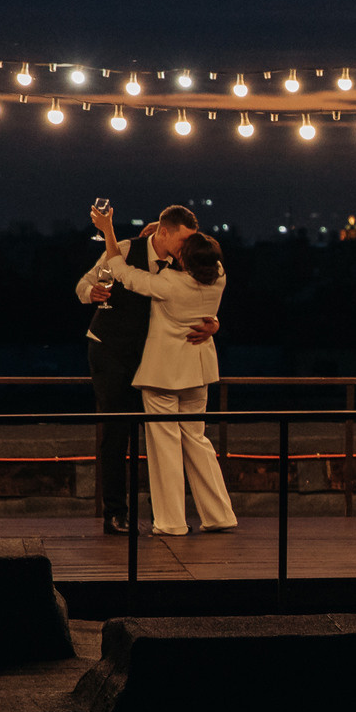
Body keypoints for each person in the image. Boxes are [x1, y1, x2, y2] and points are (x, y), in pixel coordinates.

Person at [80, 204, 228, 535]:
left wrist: (107, 229)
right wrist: (91, 293)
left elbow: (129, 275)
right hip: (117, 352)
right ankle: (120, 513)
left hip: (160, 365)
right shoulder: (212, 272)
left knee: (165, 443)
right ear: (164, 233)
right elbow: (88, 283)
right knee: (122, 433)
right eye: (184, 239)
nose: (187, 247)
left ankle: (171, 521)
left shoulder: (177, 274)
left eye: (192, 241)